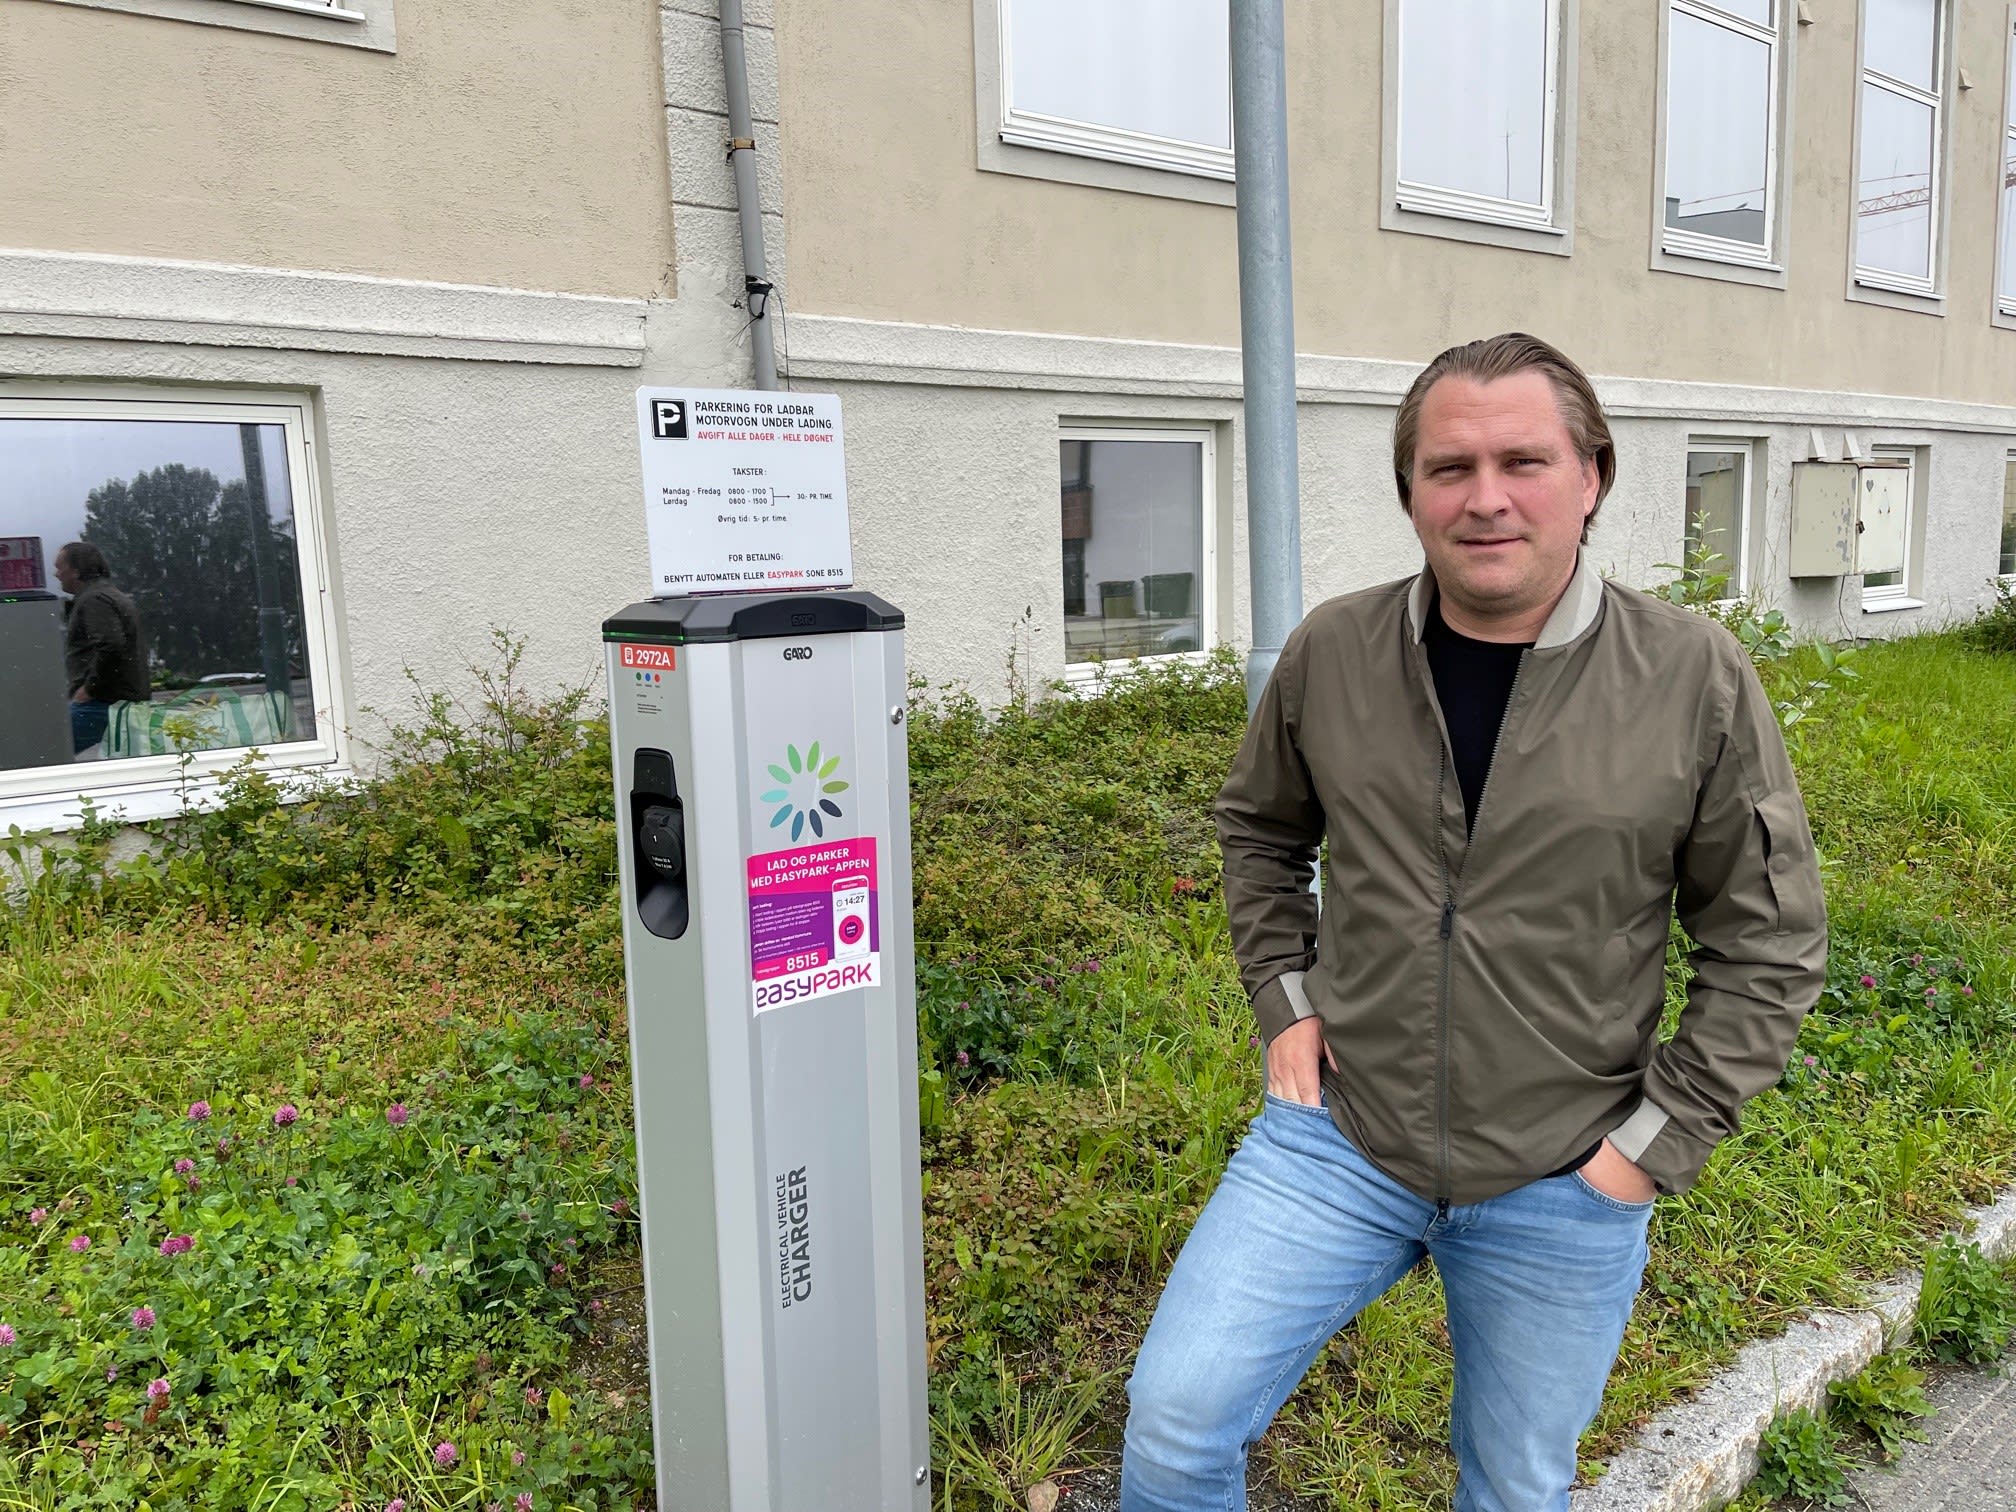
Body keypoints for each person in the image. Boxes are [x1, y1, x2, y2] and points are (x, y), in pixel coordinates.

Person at [1120, 333, 1827, 1512]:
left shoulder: (1691, 676)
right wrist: (1284, 1002)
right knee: (1174, 1424)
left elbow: (1769, 941)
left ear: (1592, 477)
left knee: (1514, 1488)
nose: (1485, 497)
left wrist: (1644, 1155)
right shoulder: (1336, 651)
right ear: (1410, 492)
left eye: (1523, 462)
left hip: (1566, 1168)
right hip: (1341, 1137)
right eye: (1449, 467)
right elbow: (1260, 832)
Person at [54, 540, 151, 756]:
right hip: (120, 701)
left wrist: (90, 688)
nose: (57, 574)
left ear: (76, 570)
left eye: (60, 567)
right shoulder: (110, 594)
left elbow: (110, 644)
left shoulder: (94, 600)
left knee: (46, 752)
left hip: (102, 702)